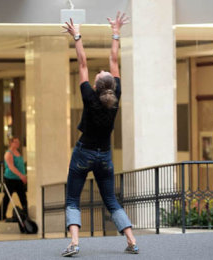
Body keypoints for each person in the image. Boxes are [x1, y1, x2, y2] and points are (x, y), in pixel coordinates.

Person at [61, 12, 138, 257]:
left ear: (95, 86)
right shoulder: (115, 99)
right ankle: (131, 240)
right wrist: (116, 32)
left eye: (99, 73)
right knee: (111, 199)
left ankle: (74, 243)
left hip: (83, 152)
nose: (101, 69)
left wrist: (77, 36)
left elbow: (82, 63)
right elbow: (114, 59)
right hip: (104, 156)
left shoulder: (89, 97)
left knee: (73, 199)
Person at [0, 137, 27, 221]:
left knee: (23, 197)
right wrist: (21, 175)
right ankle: (1, 216)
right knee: (7, 197)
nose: (18, 143)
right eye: (16, 142)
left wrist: (23, 176)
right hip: (10, 179)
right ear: (11, 143)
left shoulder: (18, 152)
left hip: (19, 180)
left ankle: (26, 214)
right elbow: (11, 167)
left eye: (18, 142)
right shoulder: (8, 153)